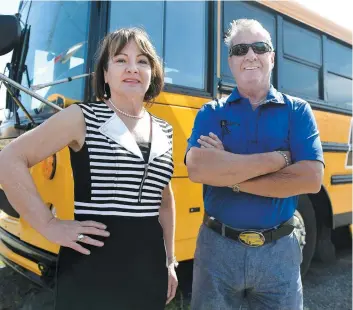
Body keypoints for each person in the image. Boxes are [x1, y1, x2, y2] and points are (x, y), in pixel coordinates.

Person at [0, 27, 178, 309]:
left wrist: (170, 260)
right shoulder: (82, 118)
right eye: (120, 60)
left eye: (142, 61)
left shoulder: (165, 130)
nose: (133, 67)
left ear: (153, 73)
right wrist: (48, 225)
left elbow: (165, 202)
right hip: (92, 269)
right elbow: (8, 160)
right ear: (105, 74)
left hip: (149, 269)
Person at [185, 19, 324, 310]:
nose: (250, 55)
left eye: (259, 47)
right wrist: (280, 159)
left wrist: (228, 173)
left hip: (280, 252)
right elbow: (198, 168)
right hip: (217, 251)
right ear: (231, 62)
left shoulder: (298, 111)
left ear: (271, 57)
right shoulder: (211, 112)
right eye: (240, 49)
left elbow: (310, 178)